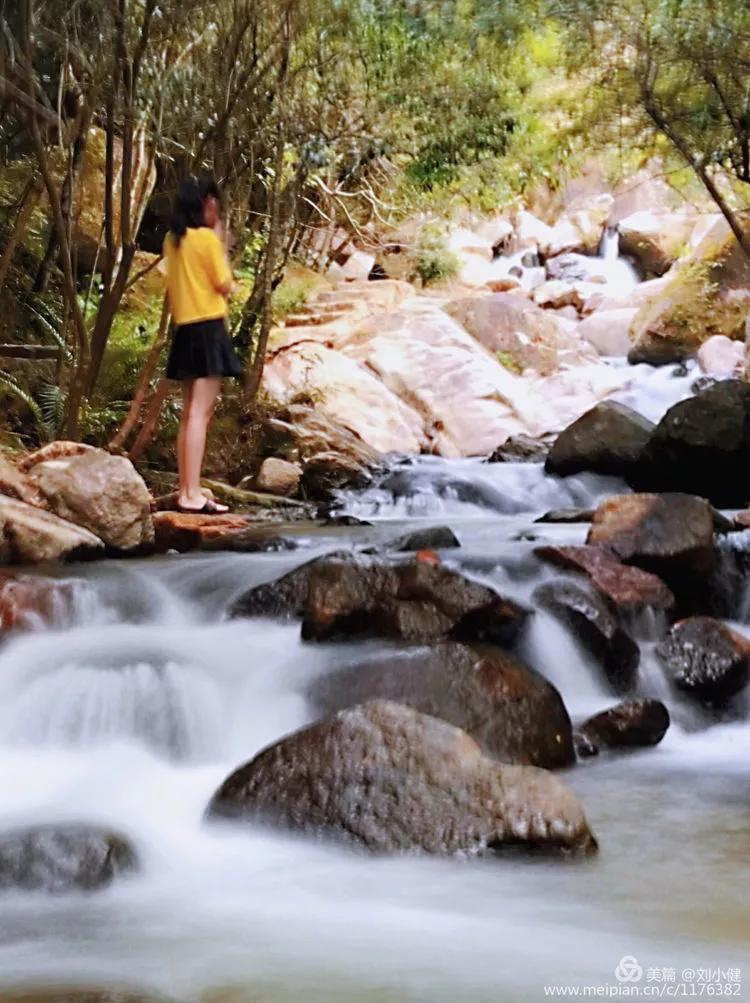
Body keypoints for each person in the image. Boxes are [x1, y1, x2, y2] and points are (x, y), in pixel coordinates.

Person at [163, 177, 243, 514]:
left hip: (184, 330)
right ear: (206, 203)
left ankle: (187, 489)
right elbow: (224, 284)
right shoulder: (206, 241)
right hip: (209, 328)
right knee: (201, 413)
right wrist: (221, 243)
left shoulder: (172, 240)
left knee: (188, 414)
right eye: (214, 203)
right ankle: (192, 493)